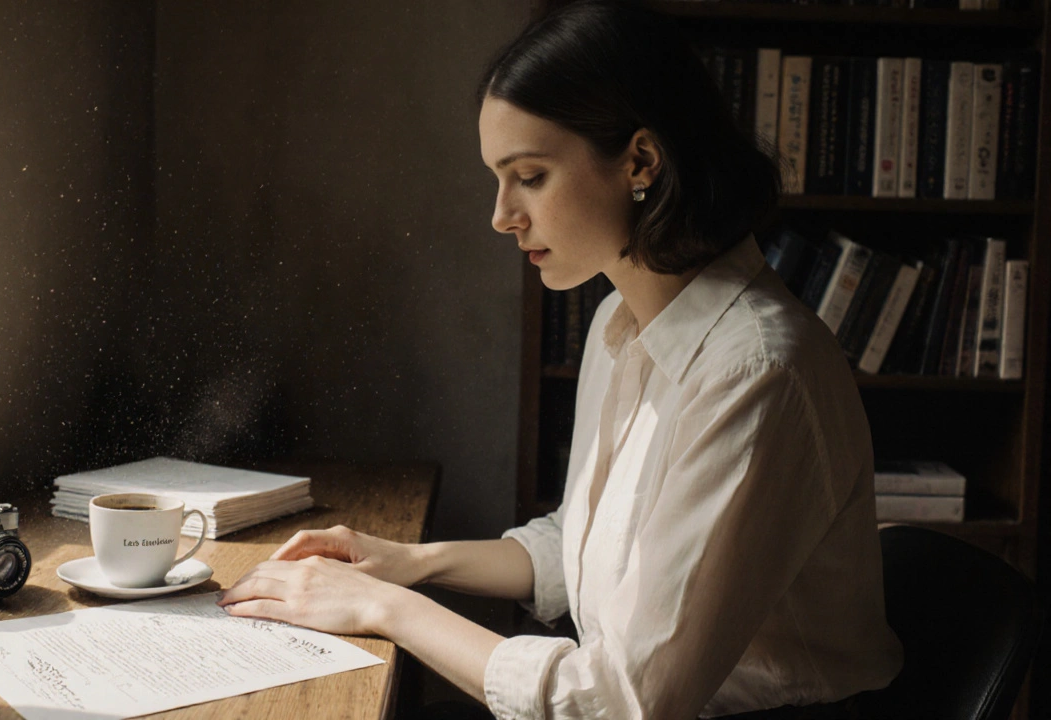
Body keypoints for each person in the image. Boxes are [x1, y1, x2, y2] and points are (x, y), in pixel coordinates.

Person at [217, 1, 904, 718]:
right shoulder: (622, 321)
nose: (502, 215)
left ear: (640, 161)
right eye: (498, 177)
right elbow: (587, 544)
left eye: (530, 176)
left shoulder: (757, 374)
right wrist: (411, 562)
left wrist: (387, 608)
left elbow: (624, 701)